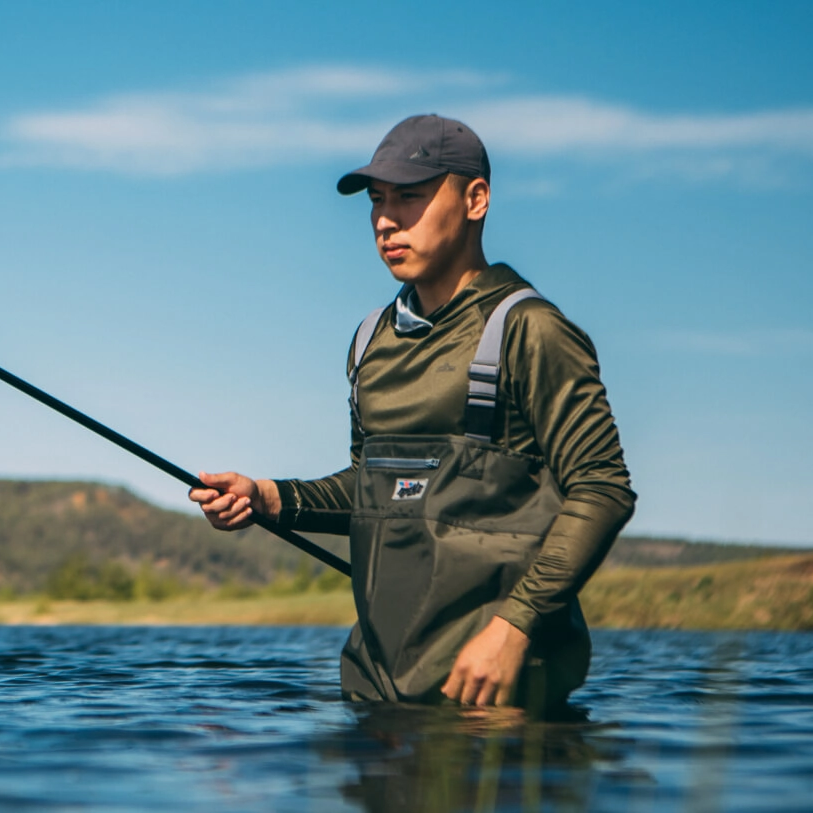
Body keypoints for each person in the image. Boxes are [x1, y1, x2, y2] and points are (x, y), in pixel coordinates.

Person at [188, 114, 634, 710]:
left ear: (476, 200)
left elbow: (603, 488)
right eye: (377, 200)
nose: (386, 220)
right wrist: (269, 498)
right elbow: (376, 488)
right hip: (375, 696)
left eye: (410, 196)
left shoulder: (531, 329)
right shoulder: (369, 341)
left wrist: (514, 627)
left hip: (497, 701)